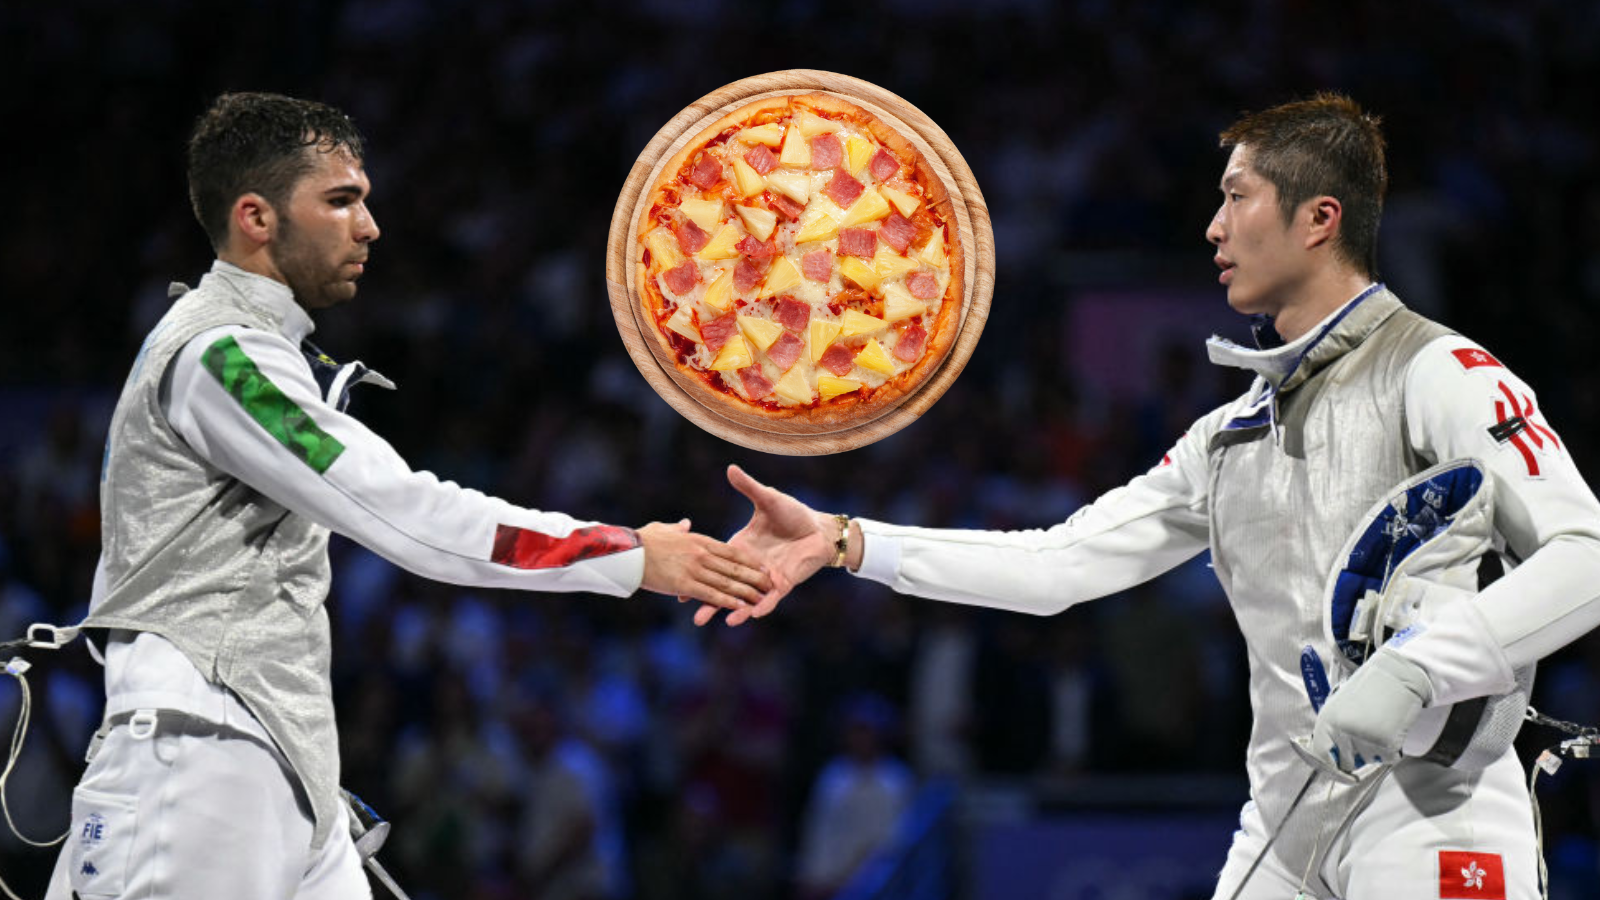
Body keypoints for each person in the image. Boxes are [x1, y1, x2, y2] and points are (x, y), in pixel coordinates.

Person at [700, 94, 1600, 900]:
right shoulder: (1230, 436)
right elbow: (1058, 564)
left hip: (1429, 814)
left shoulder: (1436, 371)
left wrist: (1416, 670)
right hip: (1282, 828)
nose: (1212, 227)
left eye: (1237, 197)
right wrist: (848, 540)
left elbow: (1586, 555)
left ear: (1319, 218)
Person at [39, 91, 770, 900]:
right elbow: (407, 516)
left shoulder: (258, 351)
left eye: (366, 201)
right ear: (256, 216)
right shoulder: (223, 358)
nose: (369, 226)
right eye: (341, 201)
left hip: (280, 762)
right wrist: (629, 555)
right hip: (198, 757)